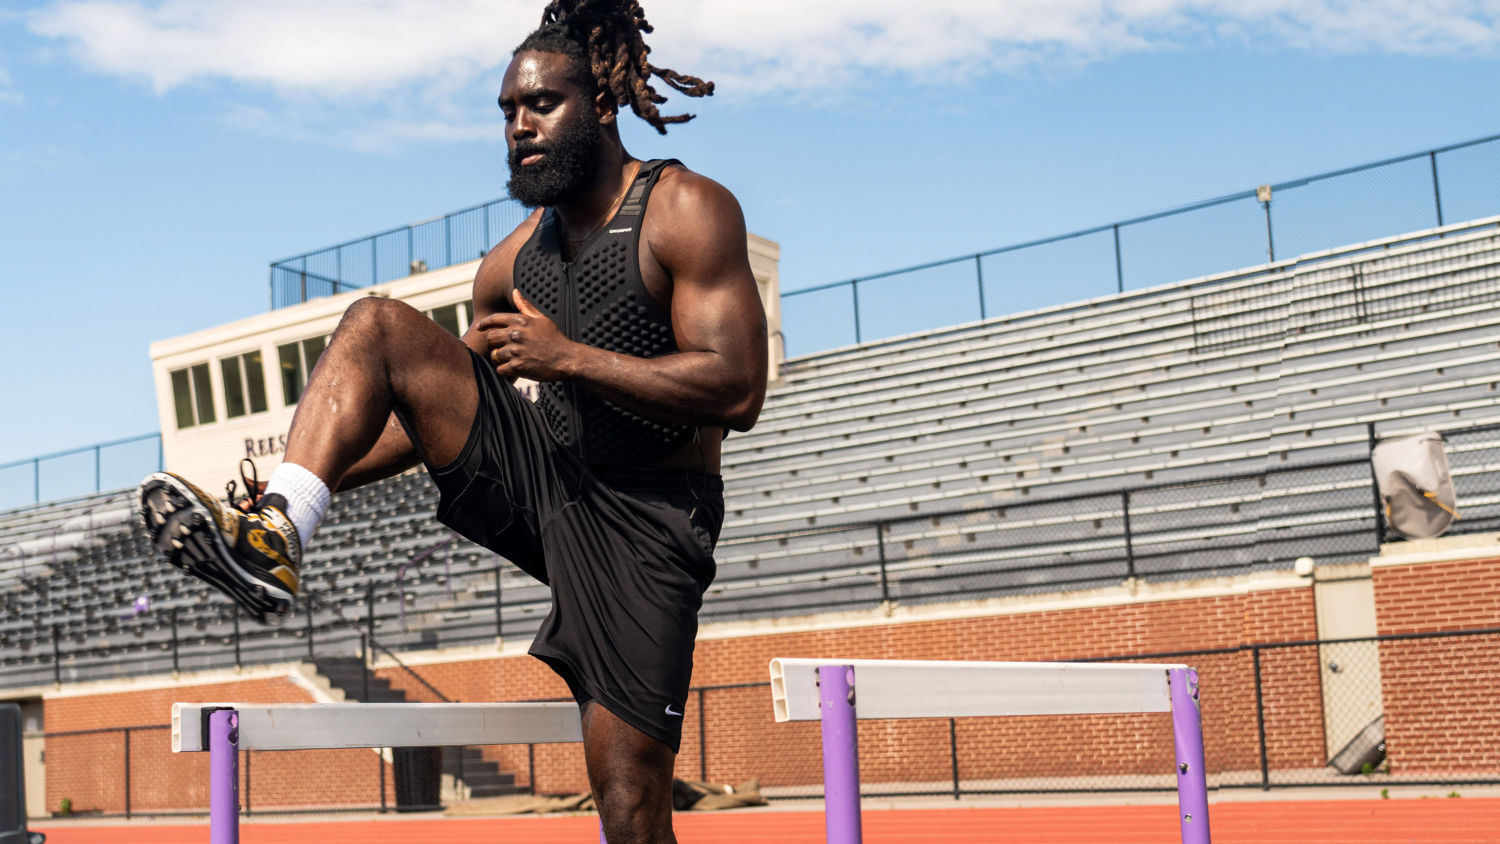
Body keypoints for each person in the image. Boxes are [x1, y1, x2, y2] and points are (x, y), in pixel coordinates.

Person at [138, 1, 766, 841]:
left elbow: (738, 389)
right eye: (508, 111)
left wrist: (568, 358)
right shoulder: (509, 265)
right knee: (378, 327)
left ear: (604, 105)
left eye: (541, 104)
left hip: (650, 517)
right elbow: (437, 407)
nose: (519, 125)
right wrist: (317, 471)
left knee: (628, 800)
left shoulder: (685, 209)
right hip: (551, 490)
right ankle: (277, 530)